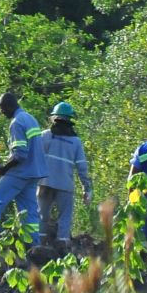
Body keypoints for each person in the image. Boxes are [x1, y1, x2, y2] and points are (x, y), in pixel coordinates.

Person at [0, 93, 47, 243]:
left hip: (21, 173)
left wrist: (3, 169)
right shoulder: (30, 118)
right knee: (28, 213)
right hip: (34, 174)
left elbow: (20, 155)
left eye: (2, 108)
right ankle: (33, 247)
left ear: (9, 106)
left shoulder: (16, 123)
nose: (2, 112)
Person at [37, 101, 92, 252]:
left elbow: (35, 158)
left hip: (44, 182)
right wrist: (87, 189)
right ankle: (62, 250)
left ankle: (39, 247)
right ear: (70, 120)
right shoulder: (75, 141)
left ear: (54, 118)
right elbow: (82, 167)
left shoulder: (45, 136)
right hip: (65, 185)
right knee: (64, 218)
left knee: (41, 216)